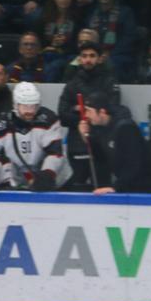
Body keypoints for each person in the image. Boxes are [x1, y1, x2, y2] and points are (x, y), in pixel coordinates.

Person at [0, 82, 70, 193]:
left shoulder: (49, 120)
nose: (29, 111)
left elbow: (55, 153)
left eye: (33, 106)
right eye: (24, 106)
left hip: (56, 179)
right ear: (15, 105)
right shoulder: (1, 125)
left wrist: (48, 173)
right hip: (21, 181)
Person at [57, 40, 119, 190]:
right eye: (84, 56)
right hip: (77, 145)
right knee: (77, 189)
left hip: (102, 144)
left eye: (92, 56)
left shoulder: (109, 82)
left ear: (99, 58)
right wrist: (81, 116)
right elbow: (63, 115)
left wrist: (81, 110)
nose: (88, 59)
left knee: (102, 187)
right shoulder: (72, 85)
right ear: (80, 59)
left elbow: (112, 111)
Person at [79, 91, 151, 194]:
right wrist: (85, 136)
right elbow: (101, 156)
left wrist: (115, 188)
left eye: (89, 111)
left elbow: (133, 164)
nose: (86, 115)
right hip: (130, 185)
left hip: (148, 186)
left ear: (102, 112)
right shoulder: (103, 128)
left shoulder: (125, 128)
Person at [83, 0, 137, 83]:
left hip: (119, 55)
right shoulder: (90, 14)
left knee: (111, 64)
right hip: (93, 54)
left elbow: (129, 37)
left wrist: (110, 54)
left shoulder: (125, 12)